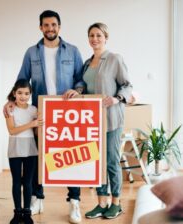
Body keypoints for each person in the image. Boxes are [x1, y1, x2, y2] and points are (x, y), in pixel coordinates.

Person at [3, 10, 85, 224]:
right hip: (40, 111)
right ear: (40, 27)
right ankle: (37, 198)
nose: (50, 28)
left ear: (59, 26)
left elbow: (80, 79)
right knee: (39, 156)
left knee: (70, 154)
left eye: (54, 25)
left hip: (66, 112)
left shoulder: (73, 51)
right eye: (46, 25)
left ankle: (74, 201)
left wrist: (77, 90)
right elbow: (22, 80)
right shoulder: (31, 52)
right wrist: (11, 100)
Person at [65, 22, 133, 219]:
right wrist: (77, 92)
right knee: (97, 162)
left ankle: (116, 203)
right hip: (93, 122)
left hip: (111, 119)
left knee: (111, 160)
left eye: (98, 35)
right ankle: (102, 202)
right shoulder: (87, 63)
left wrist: (117, 98)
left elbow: (127, 85)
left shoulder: (114, 59)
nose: (95, 39)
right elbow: (84, 87)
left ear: (106, 38)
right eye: (92, 36)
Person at [5, 79, 43, 224]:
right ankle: (17, 212)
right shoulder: (10, 109)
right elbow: (12, 130)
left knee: (28, 182)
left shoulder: (33, 110)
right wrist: (31, 123)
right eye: (20, 93)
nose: (23, 96)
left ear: (30, 94)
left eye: (27, 93)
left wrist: (38, 123)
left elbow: (36, 132)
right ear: (14, 93)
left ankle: (27, 212)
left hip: (30, 148)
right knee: (16, 181)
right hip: (15, 147)